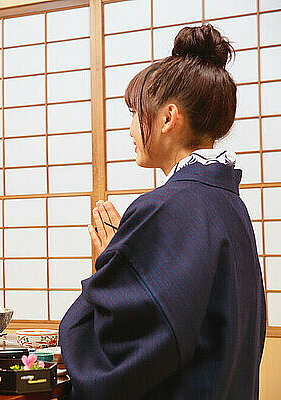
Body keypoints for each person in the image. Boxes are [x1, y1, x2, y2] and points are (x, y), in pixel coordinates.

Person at [59, 24, 266, 399]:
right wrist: (122, 268)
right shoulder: (228, 203)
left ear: (168, 118)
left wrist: (107, 270)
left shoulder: (164, 207)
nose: (131, 130)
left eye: (137, 113)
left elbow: (128, 355)